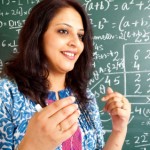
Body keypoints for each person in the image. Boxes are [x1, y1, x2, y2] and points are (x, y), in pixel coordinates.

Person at [0, 0, 131, 149]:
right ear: (37, 35)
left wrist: (119, 130)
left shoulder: (85, 98)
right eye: (63, 31)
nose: (76, 43)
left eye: (80, 36)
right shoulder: (6, 95)